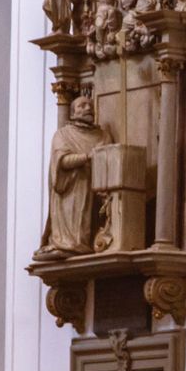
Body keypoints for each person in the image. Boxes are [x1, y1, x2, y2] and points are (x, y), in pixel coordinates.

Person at [33, 96, 111, 261]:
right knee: (75, 220)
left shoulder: (102, 135)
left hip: (95, 189)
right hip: (71, 188)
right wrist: (87, 157)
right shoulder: (63, 134)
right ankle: (68, 245)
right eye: (82, 106)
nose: (88, 108)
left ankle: (86, 244)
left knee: (91, 220)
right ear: (72, 112)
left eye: (90, 105)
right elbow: (61, 162)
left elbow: (110, 160)